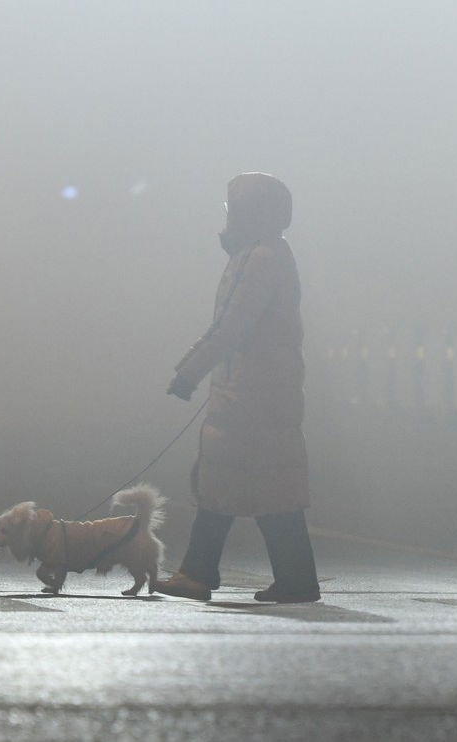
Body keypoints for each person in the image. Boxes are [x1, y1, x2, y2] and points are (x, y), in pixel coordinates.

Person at [156, 172, 319, 604]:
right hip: (271, 388)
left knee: (220, 481)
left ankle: (197, 572)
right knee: (272, 486)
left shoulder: (257, 258)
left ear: (250, 213)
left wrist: (189, 373)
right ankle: (296, 578)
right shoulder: (273, 254)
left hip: (247, 391)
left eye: (233, 209)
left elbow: (231, 326)